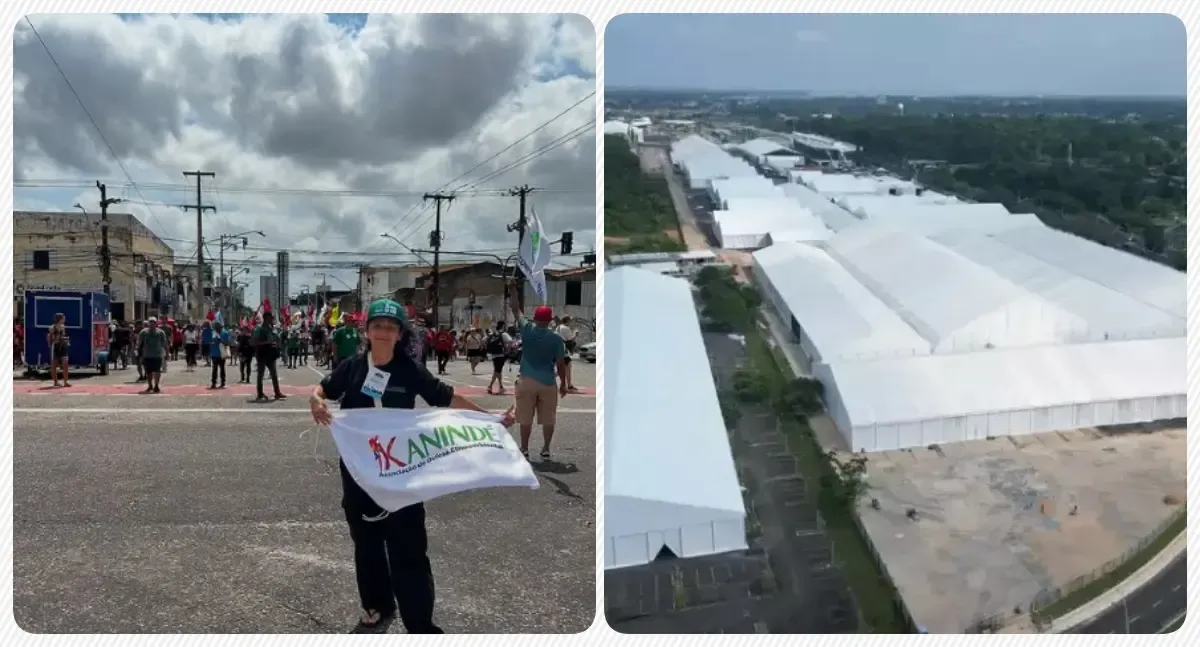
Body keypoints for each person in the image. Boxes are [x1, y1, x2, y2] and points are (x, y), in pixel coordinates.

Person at [309, 298, 516, 634]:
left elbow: (446, 398)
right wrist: (315, 400)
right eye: (378, 325)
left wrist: (490, 418)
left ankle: (420, 621)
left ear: (399, 333)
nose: (384, 332)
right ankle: (377, 603)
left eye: (391, 327)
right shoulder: (353, 367)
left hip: (402, 471)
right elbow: (324, 389)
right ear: (367, 330)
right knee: (367, 540)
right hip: (360, 471)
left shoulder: (409, 369)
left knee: (409, 545)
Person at [508, 293, 568, 460]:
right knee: (549, 418)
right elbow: (561, 364)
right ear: (550, 321)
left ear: (534, 319)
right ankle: (546, 448)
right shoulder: (556, 340)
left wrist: (513, 289)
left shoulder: (527, 329)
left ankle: (525, 449)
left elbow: (515, 309)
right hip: (548, 381)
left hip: (526, 379)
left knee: (525, 417)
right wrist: (564, 383)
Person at [253, 311, 286, 401]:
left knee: (274, 374)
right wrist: (266, 342)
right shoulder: (259, 329)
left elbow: (275, 338)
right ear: (266, 318)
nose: (272, 319)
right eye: (271, 318)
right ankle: (260, 394)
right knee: (260, 375)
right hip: (262, 354)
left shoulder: (270, 329)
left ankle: (277, 393)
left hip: (270, 354)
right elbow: (254, 342)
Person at [138, 317, 169, 394]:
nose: (152, 324)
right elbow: (139, 343)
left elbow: (165, 344)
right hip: (147, 355)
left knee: (157, 371)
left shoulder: (161, 332)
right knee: (149, 372)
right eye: (150, 322)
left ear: (156, 323)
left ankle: (156, 385)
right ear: (148, 323)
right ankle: (150, 385)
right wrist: (139, 353)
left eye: (153, 322)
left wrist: (167, 353)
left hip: (157, 355)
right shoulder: (143, 332)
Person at [484, 322, 512, 395]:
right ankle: (490, 386)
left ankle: (501, 387)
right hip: (500, 355)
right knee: (497, 372)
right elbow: (510, 340)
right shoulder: (503, 334)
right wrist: (506, 347)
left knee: (498, 371)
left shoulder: (492, 333)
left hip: (494, 355)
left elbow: (484, 340)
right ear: (503, 326)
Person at [556, 315, 581, 393]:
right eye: (570, 320)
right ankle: (568, 385)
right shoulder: (566, 328)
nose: (571, 322)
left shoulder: (559, 327)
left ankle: (568, 384)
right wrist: (575, 334)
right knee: (565, 366)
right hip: (563, 349)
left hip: (558, 348)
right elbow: (570, 340)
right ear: (567, 321)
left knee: (564, 365)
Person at [47, 313, 70, 387]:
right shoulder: (52, 327)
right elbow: (49, 337)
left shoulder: (63, 327)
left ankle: (65, 382)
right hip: (55, 346)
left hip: (63, 346)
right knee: (54, 365)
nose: (64, 319)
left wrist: (65, 340)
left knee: (65, 364)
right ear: (60, 319)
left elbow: (62, 336)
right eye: (63, 318)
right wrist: (50, 343)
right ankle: (55, 382)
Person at [208, 321, 232, 389]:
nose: (216, 328)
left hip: (222, 354)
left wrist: (220, 340)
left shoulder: (225, 333)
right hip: (214, 353)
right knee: (214, 369)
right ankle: (213, 383)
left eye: (217, 327)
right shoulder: (212, 333)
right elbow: (209, 342)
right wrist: (211, 343)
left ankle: (223, 382)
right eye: (215, 327)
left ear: (220, 327)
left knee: (222, 368)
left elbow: (227, 343)